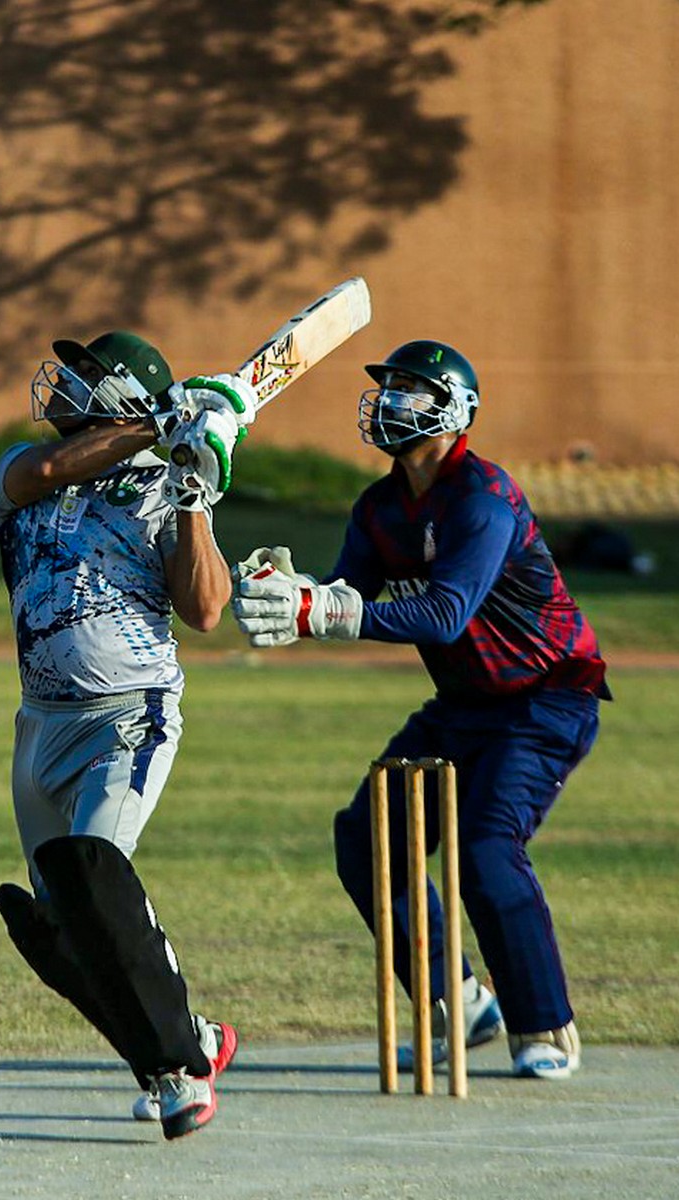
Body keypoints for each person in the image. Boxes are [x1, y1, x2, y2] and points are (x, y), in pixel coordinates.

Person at [231, 339, 608, 1079]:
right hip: (462, 704)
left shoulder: (482, 499)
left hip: (546, 697)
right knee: (366, 839)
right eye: (388, 388)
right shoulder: (380, 507)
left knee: (487, 851)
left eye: (411, 389)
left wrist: (322, 613)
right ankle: (459, 1005)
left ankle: (545, 1027)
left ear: (456, 410)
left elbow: (443, 615)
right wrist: (292, 590)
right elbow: (347, 594)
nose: (390, 402)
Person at [0, 329, 254, 1138]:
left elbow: (205, 609)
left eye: (85, 374)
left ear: (121, 393)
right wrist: (162, 424)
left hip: (127, 714)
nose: (64, 382)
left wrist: (195, 495)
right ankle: (193, 1039)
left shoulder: (164, 488)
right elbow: (45, 473)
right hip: (41, 723)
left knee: (97, 881)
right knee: (60, 929)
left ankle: (179, 1075)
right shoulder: (22, 470)